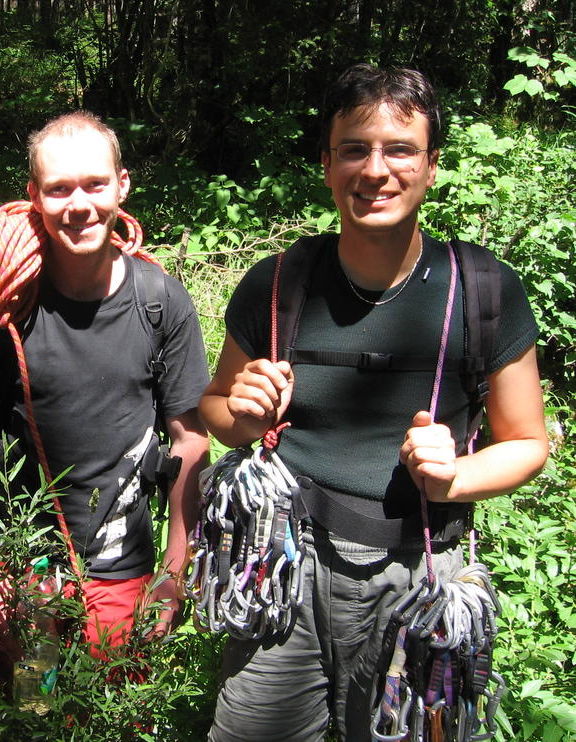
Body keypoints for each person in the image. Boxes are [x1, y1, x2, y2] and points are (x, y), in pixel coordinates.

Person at [200, 64, 548, 741]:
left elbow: (527, 442)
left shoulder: (482, 290)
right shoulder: (278, 283)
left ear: (431, 166)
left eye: (400, 150)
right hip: (283, 568)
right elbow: (215, 410)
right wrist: (241, 417)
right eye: (354, 149)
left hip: (421, 576)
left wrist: (455, 477)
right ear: (327, 165)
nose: (376, 170)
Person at [0, 112, 210, 650]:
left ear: (122, 185)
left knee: (114, 698)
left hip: (123, 572)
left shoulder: (160, 302)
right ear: (34, 196)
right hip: (24, 569)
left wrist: (174, 573)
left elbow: (191, 440)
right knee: (30, 699)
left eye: (95, 184)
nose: (80, 205)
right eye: (59, 189)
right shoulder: (7, 307)